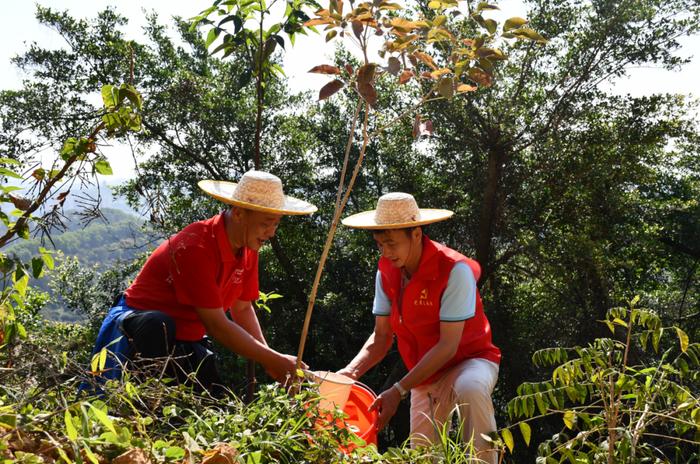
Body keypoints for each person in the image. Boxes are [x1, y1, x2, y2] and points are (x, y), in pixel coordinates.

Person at [88, 170, 316, 393]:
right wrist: (275, 359)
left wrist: (270, 361)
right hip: (142, 330)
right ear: (238, 214)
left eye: (276, 224)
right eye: (266, 223)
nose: (271, 232)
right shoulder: (196, 246)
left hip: (187, 339)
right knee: (157, 324)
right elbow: (217, 325)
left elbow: (242, 307)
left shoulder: (248, 246)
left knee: (215, 407)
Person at [337, 192, 501, 463]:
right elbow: (381, 337)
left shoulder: (453, 270)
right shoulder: (386, 272)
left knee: (470, 388)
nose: (386, 253)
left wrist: (398, 390)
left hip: (469, 360)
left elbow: (448, 347)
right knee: (424, 455)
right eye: (380, 245)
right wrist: (348, 374)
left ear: (415, 233)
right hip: (423, 374)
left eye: (391, 243)